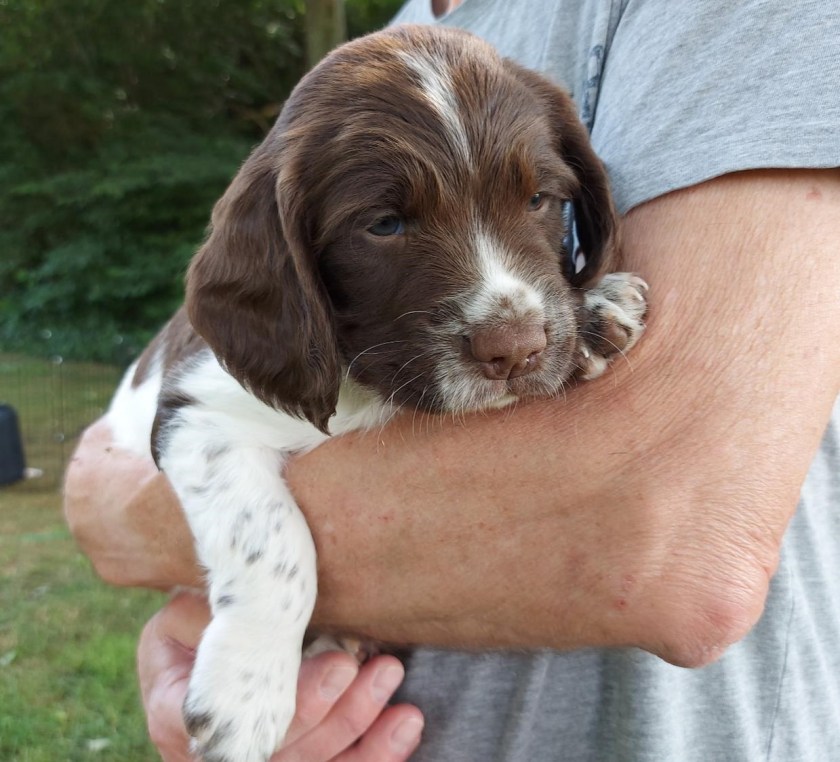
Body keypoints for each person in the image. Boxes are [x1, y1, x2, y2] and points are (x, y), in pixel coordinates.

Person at [64, 0, 840, 759]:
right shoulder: (380, 64)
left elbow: (682, 557)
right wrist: (254, 628)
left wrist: (131, 525)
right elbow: (200, 427)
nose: (513, 327)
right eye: (386, 224)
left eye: (537, 200)